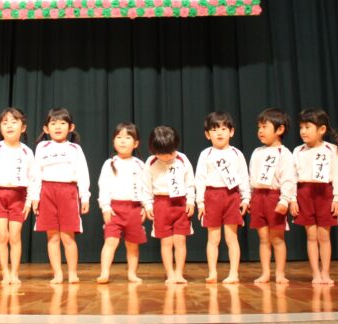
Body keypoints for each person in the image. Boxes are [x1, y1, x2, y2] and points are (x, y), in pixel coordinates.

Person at [28, 108, 91, 284]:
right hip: (47, 192)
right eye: (53, 123)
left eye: (62, 123)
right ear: (46, 128)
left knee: (67, 236)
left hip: (68, 192)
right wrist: (35, 196)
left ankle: (72, 273)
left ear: (71, 127)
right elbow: (36, 172)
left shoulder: (75, 148)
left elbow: (83, 173)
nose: (58, 126)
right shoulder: (42, 147)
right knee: (52, 236)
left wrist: (85, 196)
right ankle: (57, 274)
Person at [194, 111, 249, 284]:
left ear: (231, 132)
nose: (219, 133)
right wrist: (200, 202)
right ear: (207, 134)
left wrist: (246, 198)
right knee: (213, 238)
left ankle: (233, 273)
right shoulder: (206, 154)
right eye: (214, 129)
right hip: (212, 197)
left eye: (224, 129)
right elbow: (199, 178)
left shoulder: (237, 154)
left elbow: (244, 176)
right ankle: (212, 272)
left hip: (232, 196)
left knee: (231, 238)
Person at [291, 108, 338, 285]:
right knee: (311, 235)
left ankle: (325, 272)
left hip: (325, 193)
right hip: (304, 193)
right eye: (301, 127)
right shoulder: (298, 151)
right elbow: (292, 177)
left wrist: (337, 198)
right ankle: (315, 273)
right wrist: (292, 199)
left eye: (307, 127)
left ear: (321, 129)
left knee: (324, 236)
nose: (303, 131)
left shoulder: (332, 149)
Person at [0, 107, 35, 284]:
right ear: (0, 128)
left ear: (23, 128)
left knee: (14, 236)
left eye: (14, 122)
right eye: (5, 122)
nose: (9, 126)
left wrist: (29, 201)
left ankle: (15, 273)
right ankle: (5, 272)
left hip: (18, 196)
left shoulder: (27, 152)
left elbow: (32, 178)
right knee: (2, 235)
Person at [249, 108, 297, 284]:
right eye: (259, 127)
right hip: (258, 197)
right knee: (263, 238)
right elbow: (251, 176)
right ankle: (265, 273)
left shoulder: (284, 153)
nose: (260, 131)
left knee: (276, 238)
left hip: (274, 197)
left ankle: (280, 273)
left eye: (265, 126)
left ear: (280, 129)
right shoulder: (257, 152)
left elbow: (288, 179)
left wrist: (285, 200)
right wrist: (249, 198)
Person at [142, 125, 195, 285]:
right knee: (166, 242)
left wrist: (191, 200)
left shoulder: (182, 159)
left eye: (169, 153)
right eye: (161, 153)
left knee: (180, 240)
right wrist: (148, 205)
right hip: (161, 203)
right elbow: (146, 186)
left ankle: (179, 273)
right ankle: (170, 273)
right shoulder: (151, 162)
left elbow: (190, 182)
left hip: (180, 203)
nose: (165, 157)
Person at [96, 122, 147, 284]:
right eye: (119, 137)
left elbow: (146, 187)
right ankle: (104, 273)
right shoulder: (110, 163)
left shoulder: (140, 165)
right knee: (110, 241)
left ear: (136, 143)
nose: (123, 141)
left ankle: (132, 273)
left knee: (132, 244)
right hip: (114, 209)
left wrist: (145, 206)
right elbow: (103, 186)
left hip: (134, 208)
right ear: (113, 141)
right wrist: (105, 207)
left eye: (127, 138)